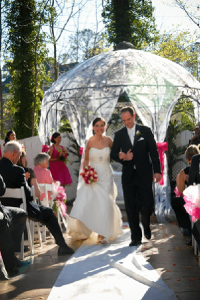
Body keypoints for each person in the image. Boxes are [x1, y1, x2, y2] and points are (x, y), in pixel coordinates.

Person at [0, 141, 74, 255]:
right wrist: (25, 180)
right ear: (14, 154)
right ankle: (62, 245)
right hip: (21, 208)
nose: (18, 159)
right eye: (19, 156)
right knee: (48, 212)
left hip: (3, 208)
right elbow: (28, 195)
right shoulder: (18, 170)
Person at [111, 106, 161, 247]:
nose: (126, 122)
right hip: (128, 176)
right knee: (131, 207)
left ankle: (146, 223)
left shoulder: (145, 131)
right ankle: (135, 237)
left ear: (134, 116)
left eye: (128, 119)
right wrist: (123, 157)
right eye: (124, 120)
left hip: (144, 174)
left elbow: (153, 151)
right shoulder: (119, 134)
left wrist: (157, 171)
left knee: (147, 205)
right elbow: (113, 154)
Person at [67, 117, 123, 244]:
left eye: (102, 125)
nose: (99, 128)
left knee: (106, 203)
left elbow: (115, 155)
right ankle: (95, 229)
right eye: (97, 125)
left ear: (105, 126)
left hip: (106, 175)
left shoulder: (109, 141)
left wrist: (123, 155)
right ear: (93, 127)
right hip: (93, 175)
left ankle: (103, 232)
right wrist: (87, 172)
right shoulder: (90, 141)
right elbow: (86, 159)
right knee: (95, 203)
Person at [0, 174, 28, 278]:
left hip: (2, 207)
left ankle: (12, 256)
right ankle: (9, 262)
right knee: (3, 220)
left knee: (20, 214)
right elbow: (1, 190)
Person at [171, 145, 199, 245]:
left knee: (175, 201)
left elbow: (182, 193)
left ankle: (188, 229)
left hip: (193, 203)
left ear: (187, 158)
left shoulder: (184, 172)